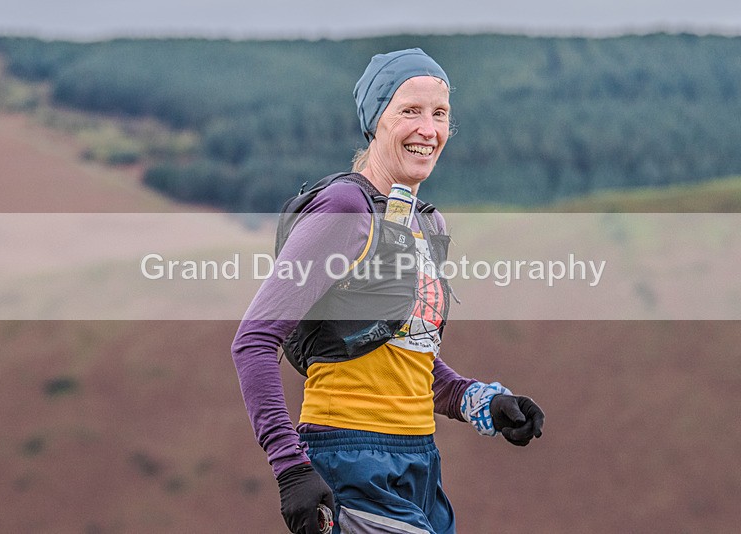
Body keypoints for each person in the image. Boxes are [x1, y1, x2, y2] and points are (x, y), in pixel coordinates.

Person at [231, 48, 544, 534]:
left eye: (440, 114)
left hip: (420, 463)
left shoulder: (429, 224)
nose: (428, 129)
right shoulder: (344, 209)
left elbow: (403, 357)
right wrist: (290, 468)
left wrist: (482, 402)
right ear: (376, 121)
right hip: (348, 460)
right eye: (410, 111)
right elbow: (253, 341)